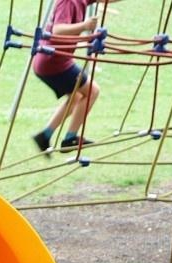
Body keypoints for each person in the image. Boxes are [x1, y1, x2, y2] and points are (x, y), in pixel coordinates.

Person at [31, 0, 103, 153]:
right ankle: (70, 139)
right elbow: (58, 30)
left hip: (55, 61)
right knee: (92, 91)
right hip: (53, 62)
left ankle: (45, 136)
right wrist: (84, 26)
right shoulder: (68, 1)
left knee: (76, 97)